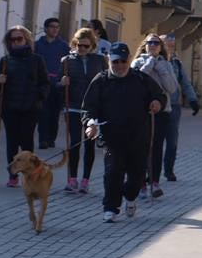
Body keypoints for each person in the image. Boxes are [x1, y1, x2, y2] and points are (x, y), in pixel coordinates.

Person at [82, 42, 166, 222]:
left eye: (122, 61)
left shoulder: (141, 79)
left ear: (129, 60)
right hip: (112, 137)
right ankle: (110, 207)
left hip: (138, 136)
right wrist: (90, 123)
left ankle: (130, 197)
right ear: (109, 61)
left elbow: (159, 95)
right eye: (115, 62)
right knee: (112, 174)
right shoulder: (101, 80)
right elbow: (89, 107)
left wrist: (157, 103)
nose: (119, 65)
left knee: (136, 177)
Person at [0, 25, 49, 187]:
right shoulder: (5, 61)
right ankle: (13, 175)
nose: (16, 42)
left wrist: (38, 96)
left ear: (26, 39)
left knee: (27, 143)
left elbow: (45, 83)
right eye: (13, 39)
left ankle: (30, 174)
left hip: (30, 109)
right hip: (9, 108)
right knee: (12, 141)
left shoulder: (37, 60)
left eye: (19, 38)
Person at [60, 27, 106, 193]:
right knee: (74, 143)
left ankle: (85, 180)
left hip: (92, 108)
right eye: (79, 45)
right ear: (74, 44)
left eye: (86, 46)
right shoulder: (66, 61)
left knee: (89, 144)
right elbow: (58, 85)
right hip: (72, 106)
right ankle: (72, 179)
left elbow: (105, 83)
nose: (82, 49)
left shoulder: (100, 60)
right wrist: (62, 82)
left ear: (92, 46)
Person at [133, 33, 179, 199]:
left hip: (161, 112)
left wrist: (161, 69)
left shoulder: (166, 64)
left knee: (157, 148)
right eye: (149, 42)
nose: (152, 45)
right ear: (144, 45)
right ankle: (141, 183)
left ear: (161, 47)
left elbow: (172, 88)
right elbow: (136, 82)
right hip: (141, 112)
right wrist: (150, 63)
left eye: (156, 43)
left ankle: (154, 182)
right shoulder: (137, 62)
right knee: (142, 147)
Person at [160, 34, 201, 181]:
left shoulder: (176, 63)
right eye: (166, 44)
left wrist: (192, 99)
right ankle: (150, 172)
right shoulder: (154, 61)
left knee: (172, 141)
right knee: (154, 142)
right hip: (157, 107)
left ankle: (169, 170)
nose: (169, 47)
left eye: (171, 44)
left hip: (174, 106)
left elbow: (185, 83)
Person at [34, 17, 69, 149]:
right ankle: (42, 139)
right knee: (42, 113)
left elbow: (68, 65)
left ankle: (51, 138)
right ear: (45, 29)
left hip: (57, 85)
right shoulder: (37, 45)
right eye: (52, 26)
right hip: (42, 84)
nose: (55, 29)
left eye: (57, 27)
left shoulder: (64, 46)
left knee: (54, 113)